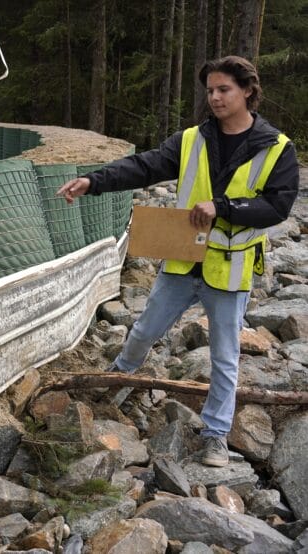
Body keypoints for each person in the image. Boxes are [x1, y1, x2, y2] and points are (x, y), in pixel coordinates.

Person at [56, 55, 299, 467]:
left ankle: (216, 434)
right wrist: (94, 181)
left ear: (247, 92)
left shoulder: (277, 148)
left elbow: (277, 207)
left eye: (224, 89)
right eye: (210, 91)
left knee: (225, 357)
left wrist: (223, 207)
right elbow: (144, 166)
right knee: (145, 329)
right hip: (184, 262)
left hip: (229, 268)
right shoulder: (192, 139)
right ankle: (119, 377)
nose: (216, 98)